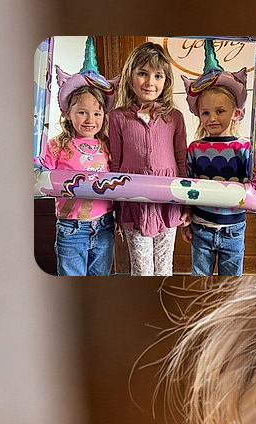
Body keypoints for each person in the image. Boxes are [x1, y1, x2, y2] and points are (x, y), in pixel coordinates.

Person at [181, 40, 256, 276]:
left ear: (237, 113)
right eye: (205, 112)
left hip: (233, 230)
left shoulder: (245, 148)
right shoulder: (194, 149)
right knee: (198, 279)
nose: (212, 118)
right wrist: (188, 215)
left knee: (231, 282)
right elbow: (188, 185)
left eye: (220, 111)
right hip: (201, 228)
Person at [108, 42, 187, 275]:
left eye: (157, 75)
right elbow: (115, 164)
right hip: (133, 204)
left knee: (164, 268)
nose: (150, 82)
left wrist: (186, 204)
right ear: (130, 76)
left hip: (169, 203)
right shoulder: (117, 117)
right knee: (141, 269)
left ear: (166, 81)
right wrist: (115, 207)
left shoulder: (175, 117)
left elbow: (182, 161)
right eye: (142, 73)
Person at [41, 38, 115, 276]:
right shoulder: (57, 145)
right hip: (71, 227)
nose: (89, 119)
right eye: (82, 112)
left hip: (104, 224)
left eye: (96, 113)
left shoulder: (107, 146)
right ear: (68, 114)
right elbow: (39, 173)